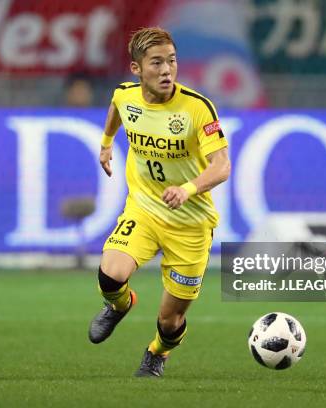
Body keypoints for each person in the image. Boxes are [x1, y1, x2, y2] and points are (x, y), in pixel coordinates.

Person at [88, 27, 230, 377]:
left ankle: (157, 353)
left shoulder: (197, 108)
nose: (167, 70)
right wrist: (107, 142)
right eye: (157, 63)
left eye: (172, 61)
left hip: (191, 225)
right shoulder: (126, 95)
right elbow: (116, 108)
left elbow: (222, 165)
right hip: (145, 209)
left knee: (170, 319)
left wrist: (188, 189)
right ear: (137, 70)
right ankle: (119, 305)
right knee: (111, 275)